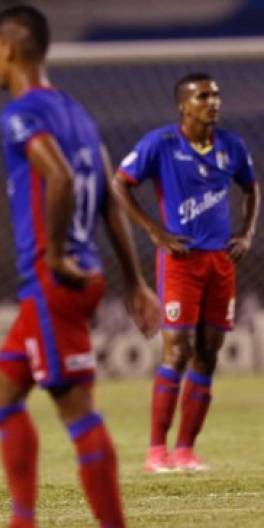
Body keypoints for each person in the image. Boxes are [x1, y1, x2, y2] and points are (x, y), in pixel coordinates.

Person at [0, 5, 161, 528]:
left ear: (10, 48)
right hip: (78, 276)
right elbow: (105, 191)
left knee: (75, 408)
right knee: (3, 391)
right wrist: (135, 280)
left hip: (55, 281)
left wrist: (52, 252)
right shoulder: (76, 112)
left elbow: (61, 176)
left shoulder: (21, 114)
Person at [113, 72, 260, 473]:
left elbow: (251, 188)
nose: (212, 102)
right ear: (184, 105)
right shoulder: (160, 144)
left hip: (220, 263)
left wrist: (246, 234)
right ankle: (155, 452)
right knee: (177, 351)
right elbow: (119, 184)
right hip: (180, 262)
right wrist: (155, 232)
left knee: (208, 355)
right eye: (202, 96)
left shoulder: (231, 146)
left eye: (215, 94)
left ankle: (185, 451)